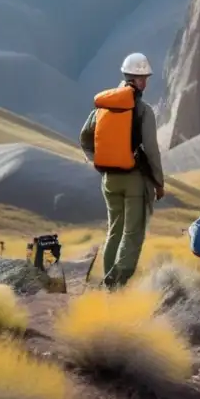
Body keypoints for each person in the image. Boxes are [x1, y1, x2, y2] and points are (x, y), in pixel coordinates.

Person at [79, 52, 165, 289]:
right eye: (143, 78)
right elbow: (152, 149)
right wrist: (158, 182)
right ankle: (119, 283)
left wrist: (100, 161)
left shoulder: (104, 106)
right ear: (135, 79)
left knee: (114, 231)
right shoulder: (143, 110)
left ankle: (109, 282)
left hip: (109, 179)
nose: (145, 82)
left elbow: (85, 138)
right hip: (134, 179)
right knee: (133, 233)